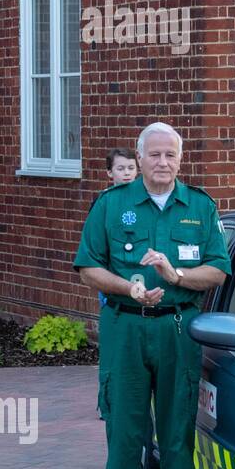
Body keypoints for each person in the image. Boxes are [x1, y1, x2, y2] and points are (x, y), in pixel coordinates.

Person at [74, 122, 230, 469]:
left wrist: (176, 277)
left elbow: (218, 268)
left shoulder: (199, 207)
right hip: (125, 327)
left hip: (178, 329)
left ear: (180, 160)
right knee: (124, 434)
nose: (163, 163)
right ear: (138, 159)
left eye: (171, 155)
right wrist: (128, 287)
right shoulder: (112, 204)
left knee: (178, 436)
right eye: (155, 155)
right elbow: (89, 265)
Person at [96, 148, 139, 421]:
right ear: (109, 173)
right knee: (113, 349)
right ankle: (107, 400)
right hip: (114, 287)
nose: (126, 173)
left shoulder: (143, 201)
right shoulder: (105, 203)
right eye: (121, 169)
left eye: (130, 168)